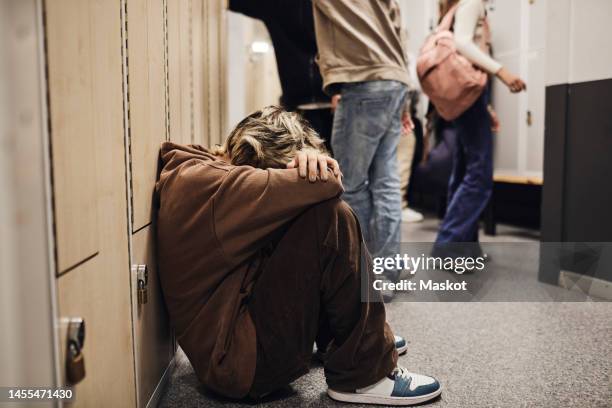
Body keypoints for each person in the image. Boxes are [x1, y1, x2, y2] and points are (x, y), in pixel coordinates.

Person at [155, 106, 441, 405]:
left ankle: (349, 341)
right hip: (240, 364)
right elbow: (328, 182)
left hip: (235, 340)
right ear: (257, 155)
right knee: (329, 217)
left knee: (305, 219)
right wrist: (313, 167)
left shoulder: (203, 173)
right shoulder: (218, 186)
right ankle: (364, 377)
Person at [312, 0, 411, 284]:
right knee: (386, 183)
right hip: (395, 79)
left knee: (351, 184)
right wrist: (405, 97)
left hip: (363, 80)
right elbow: (400, 32)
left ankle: (366, 276)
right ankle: (388, 272)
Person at [434, 0, 526, 254]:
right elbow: (463, 43)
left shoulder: (457, 7)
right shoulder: (471, 2)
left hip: (468, 97)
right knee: (479, 175)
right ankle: (448, 246)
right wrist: (502, 71)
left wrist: (484, 108)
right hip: (470, 95)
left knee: (464, 171)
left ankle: (466, 246)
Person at [228, 0, 334, 152]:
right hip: (299, 106)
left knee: (338, 167)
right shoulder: (279, 5)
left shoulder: (335, 7)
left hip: (334, 100)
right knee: (303, 165)